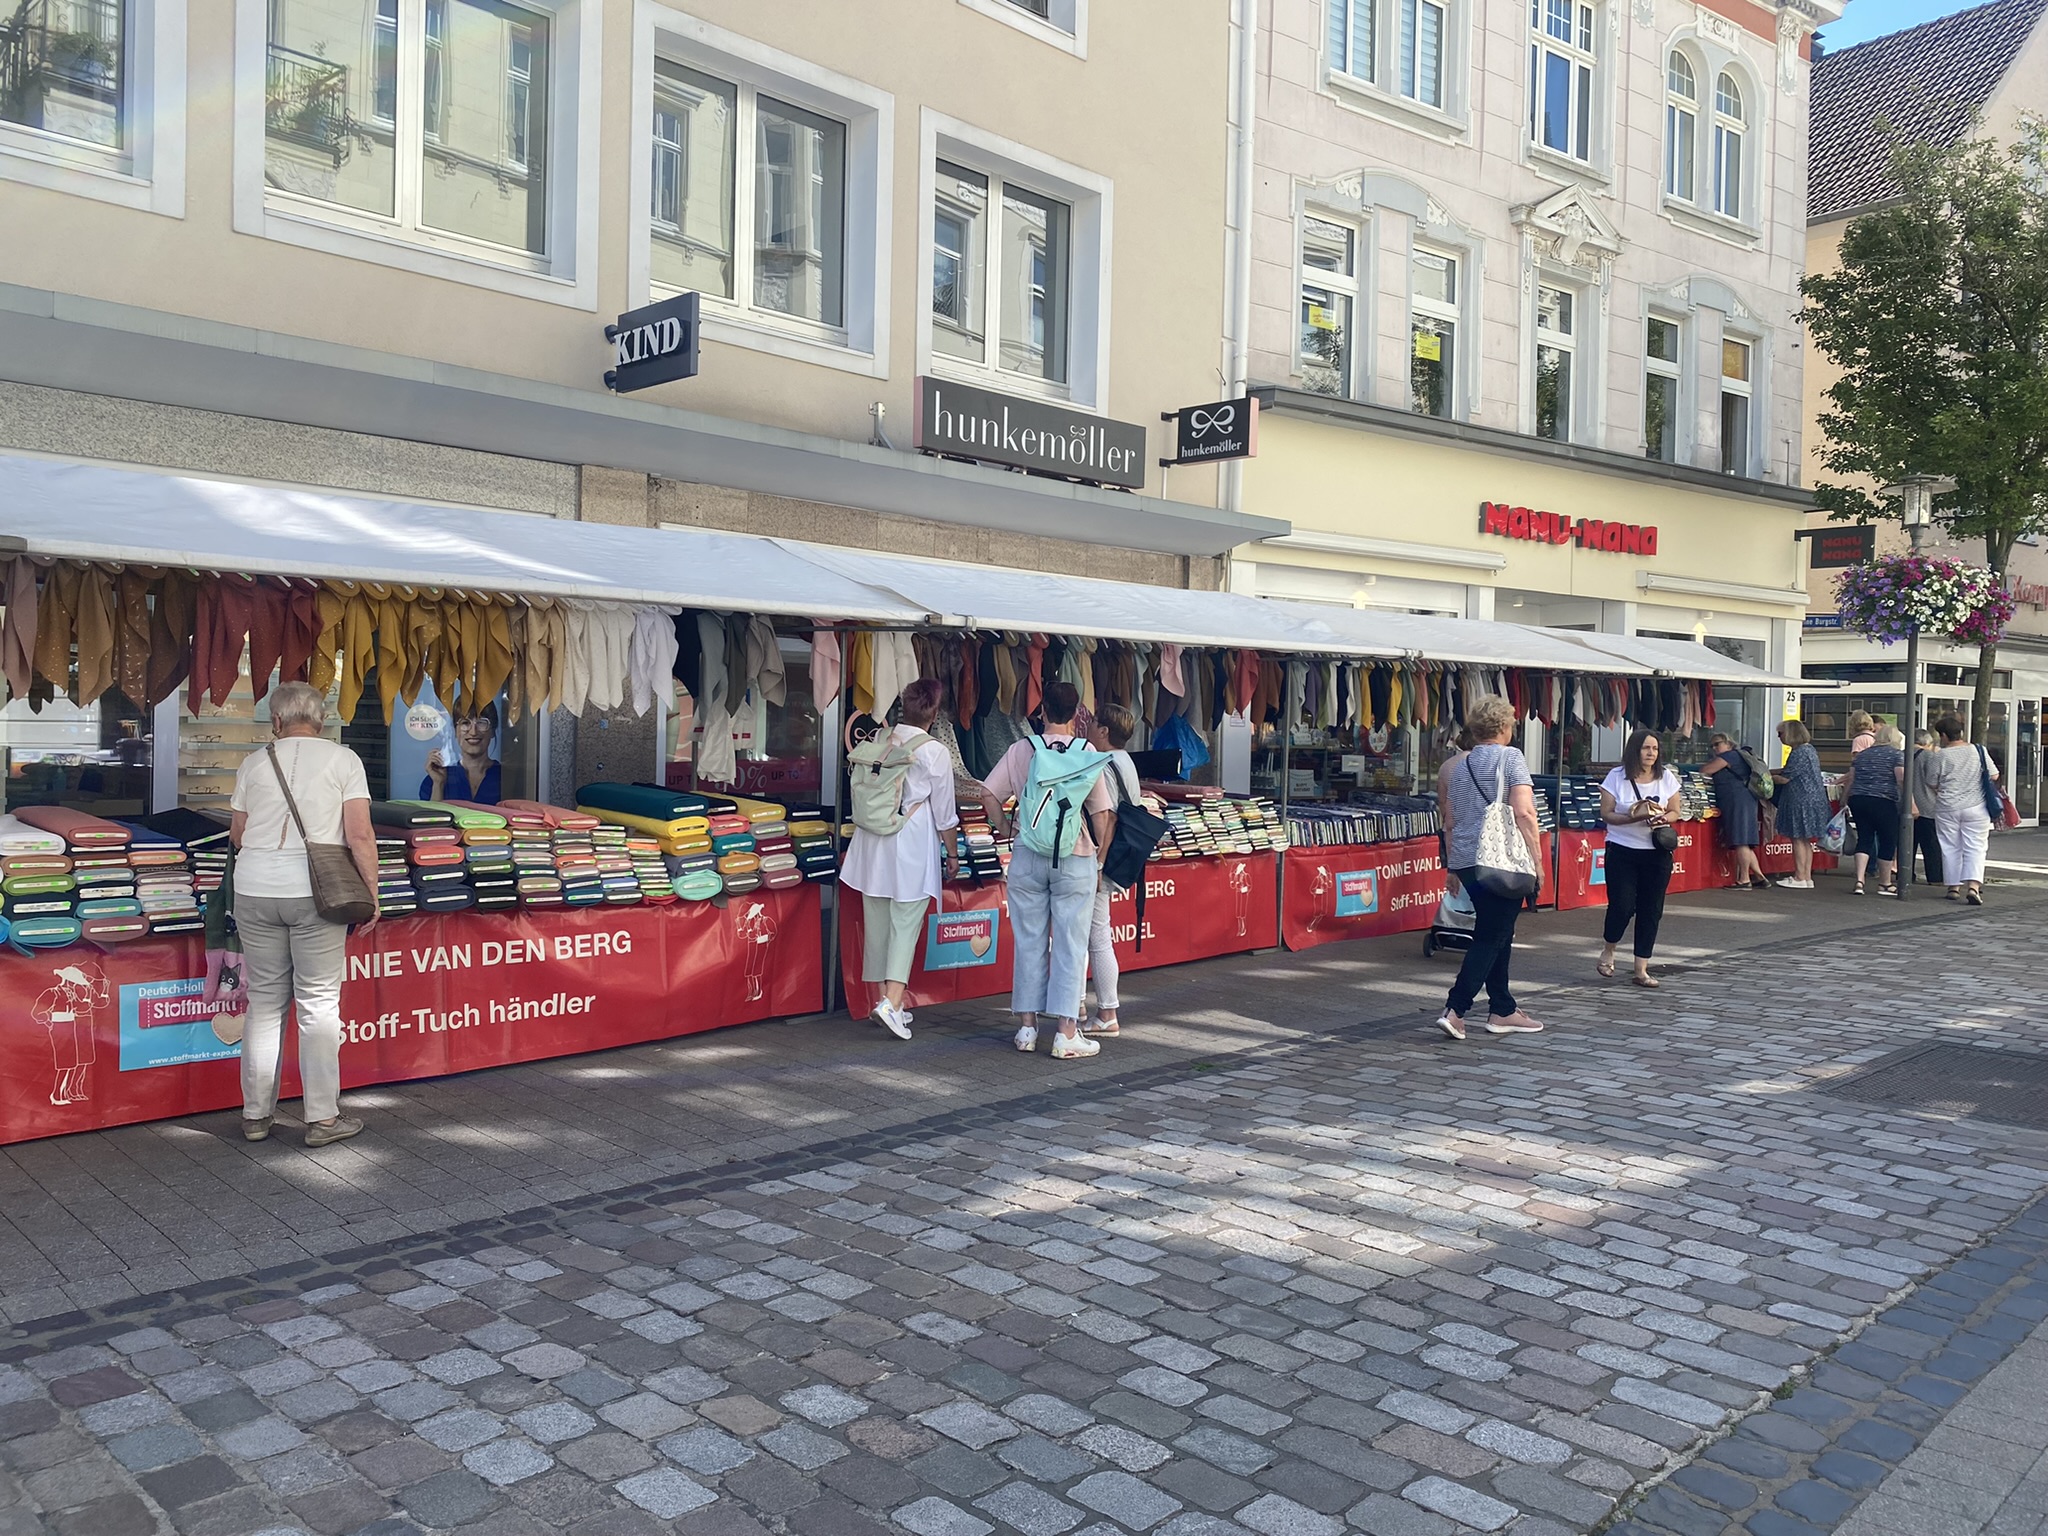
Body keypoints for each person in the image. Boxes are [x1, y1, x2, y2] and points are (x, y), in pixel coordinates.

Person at [229, 681, 379, 1147]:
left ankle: (256, 1116)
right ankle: (321, 1119)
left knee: (265, 1003)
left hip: (253, 890)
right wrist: (372, 893)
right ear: (321, 719)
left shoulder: (254, 763)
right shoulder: (343, 760)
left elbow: (238, 834)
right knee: (317, 1004)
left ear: (275, 721)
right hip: (317, 893)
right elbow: (360, 836)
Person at [982, 679, 1115, 1061]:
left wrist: (1006, 828)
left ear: (1040, 712)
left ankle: (1026, 1028)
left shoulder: (1022, 749)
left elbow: (988, 793)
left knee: (1028, 941)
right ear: (1076, 715)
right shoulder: (1087, 751)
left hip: (1027, 852)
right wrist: (1098, 854)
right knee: (1071, 945)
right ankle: (1066, 1033)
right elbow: (1101, 812)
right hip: (1074, 857)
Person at [839, 680, 959, 1040]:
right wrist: (952, 854)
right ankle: (891, 1003)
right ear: (934, 714)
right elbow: (945, 814)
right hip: (909, 841)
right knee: (905, 923)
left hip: (870, 842)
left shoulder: (878, 739)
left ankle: (885, 1002)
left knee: (876, 922)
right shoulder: (934, 751)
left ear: (902, 707)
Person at [1435, 696, 1546, 1042]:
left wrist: (1452, 865)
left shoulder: (1457, 766)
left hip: (1469, 862)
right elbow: (1525, 812)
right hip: (1503, 860)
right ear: (1504, 727)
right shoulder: (1511, 757)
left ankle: (1503, 1008)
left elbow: (1450, 820)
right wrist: (1538, 861)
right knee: (1491, 936)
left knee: (1498, 930)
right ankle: (1456, 1009)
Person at [1597, 730, 1682, 987]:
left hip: (1656, 852)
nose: (1651, 753)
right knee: (1622, 906)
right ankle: (1609, 949)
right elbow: (1607, 814)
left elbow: (1676, 810)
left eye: (1655, 749)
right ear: (1635, 750)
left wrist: (1663, 818)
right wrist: (1633, 817)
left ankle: (1641, 968)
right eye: (1646, 748)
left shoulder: (1666, 777)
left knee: (1652, 909)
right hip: (1622, 848)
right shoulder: (1616, 777)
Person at [1080, 704, 1143, 1037]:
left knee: (1096, 936)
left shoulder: (1104, 764)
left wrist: (1099, 863)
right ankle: (1093, 1008)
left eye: (1092, 723)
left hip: (1104, 858)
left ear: (1104, 731)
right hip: (1120, 857)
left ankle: (1105, 1012)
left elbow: (1108, 816)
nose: (1088, 727)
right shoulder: (1126, 762)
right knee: (1095, 933)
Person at [1922, 713, 1995, 905]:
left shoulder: (1940, 756)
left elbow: (1931, 781)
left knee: (1950, 846)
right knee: (1976, 848)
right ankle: (1973, 887)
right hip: (1977, 806)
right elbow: (1994, 775)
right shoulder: (1978, 751)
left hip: (1948, 807)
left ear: (1944, 736)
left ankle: (1953, 887)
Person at [1701, 731, 1767, 889]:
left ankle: (1744, 879)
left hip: (1736, 801)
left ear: (1729, 743)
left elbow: (1706, 770)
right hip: (1745, 799)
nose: (1714, 748)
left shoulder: (1730, 756)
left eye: (1718, 744)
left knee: (1741, 840)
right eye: (1712, 745)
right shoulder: (1740, 756)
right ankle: (1760, 876)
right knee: (1745, 840)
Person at [1846, 723, 1906, 896]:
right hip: (1883, 801)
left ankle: (1859, 881)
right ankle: (1885, 883)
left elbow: (1851, 778)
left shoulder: (1862, 755)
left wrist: (1845, 800)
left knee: (1864, 838)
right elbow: (1901, 779)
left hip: (1858, 800)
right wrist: (1910, 801)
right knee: (1887, 840)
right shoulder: (1896, 755)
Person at [1770, 719, 1829, 889]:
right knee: (1805, 840)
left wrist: (1765, 777)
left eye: (1780, 733)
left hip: (1800, 800)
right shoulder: (1809, 749)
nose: (1778, 737)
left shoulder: (1798, 753)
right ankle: (1806, 877)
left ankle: (1799, 876)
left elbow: (1785, 777)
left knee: (1797, 839)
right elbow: (1788, 770)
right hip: (1813, 799)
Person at [423, 702, 502, 804]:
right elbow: (431, 818)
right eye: (465, 723)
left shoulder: (506, 777)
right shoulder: (434, 779)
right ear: (456, 731)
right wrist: (438, 784)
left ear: (492, 731)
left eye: (482, 723)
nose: (473, 732)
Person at [1908, 728, 1946, 888]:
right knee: (1931, 845)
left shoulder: (1902, 754)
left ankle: (1906, 874)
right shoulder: (1929, 756)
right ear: (1927, 742)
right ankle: (1935, 876)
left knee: (1908, 843)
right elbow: (1934, 780)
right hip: (1927, 805)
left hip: (1907, 805)